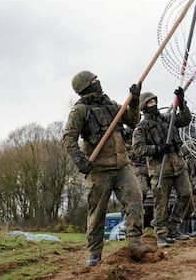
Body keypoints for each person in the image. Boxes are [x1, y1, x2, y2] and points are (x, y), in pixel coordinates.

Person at [62, 70, 152, 267]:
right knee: (97, 212)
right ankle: (94, 252)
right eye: (94, 80)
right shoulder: (80, 111)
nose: (98, 81)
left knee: (136, 198)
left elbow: (132, 120)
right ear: (85, 85)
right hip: (98, 169)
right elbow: (68, 138)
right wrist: (80, 161)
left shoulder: (110, 105)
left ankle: (135, 241)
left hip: (122, 165)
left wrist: (135, 101)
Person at [132, 88, 192, 248]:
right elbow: (138, 148)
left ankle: (174, 228)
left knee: (186, 194)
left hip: (178, 166)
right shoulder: (141, 127)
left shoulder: (167, 119)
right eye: (150, 102)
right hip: (159, 171)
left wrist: (182, 102)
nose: (154, 104)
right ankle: (161, 234)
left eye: (155, 100)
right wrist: (158, 149)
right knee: (161, 204)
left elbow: (185, 119)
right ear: (144, 106)